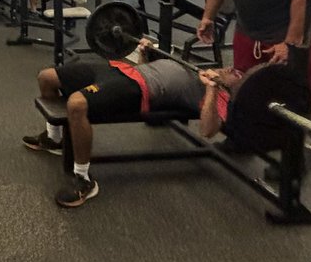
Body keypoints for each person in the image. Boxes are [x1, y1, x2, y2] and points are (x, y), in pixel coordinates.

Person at [22, 41, 234, 207]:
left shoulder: (219, 96)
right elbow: (149, 70)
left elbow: (208, 129)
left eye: (235, 74)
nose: (230, 68)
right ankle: (54, 139)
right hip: (120, 70)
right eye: (232, 67)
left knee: (76, 104)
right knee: (46, 77)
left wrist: (212, 89)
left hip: (137, 87)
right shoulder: (197, 69)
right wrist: (144, 54)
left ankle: (83, 179)